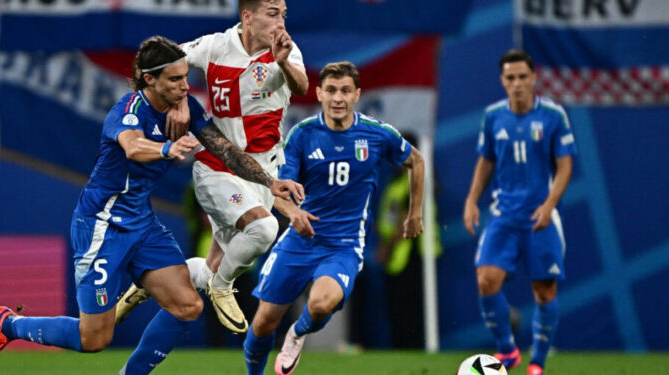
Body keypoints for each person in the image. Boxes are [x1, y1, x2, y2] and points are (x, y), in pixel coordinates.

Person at [0, 36, 303, 375]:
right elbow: (132, 147)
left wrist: (269, 182)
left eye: (186, 77)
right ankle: (8, 325)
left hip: (142, 224)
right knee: (93, 338)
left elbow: (226, 150)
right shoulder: (128, 110)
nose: (185, 86)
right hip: (101, 225)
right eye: (175, 80)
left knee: (188, 306)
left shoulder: (186, 110)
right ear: (149, 79)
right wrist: (165, 150)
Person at [116, 0, 308, 334]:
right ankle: (222, 288)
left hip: (260, 175)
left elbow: (302, 86)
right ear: (247, 17)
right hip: (216, 167)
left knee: (209, 267)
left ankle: (150, 281)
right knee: (263, 231)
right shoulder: (215, 46)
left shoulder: (286, 51)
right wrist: (177, 101)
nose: (281, 23)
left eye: (284, 15)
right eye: (273, 14)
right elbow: (160, 60)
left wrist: (284, 64)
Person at [242, 61, 425, 375]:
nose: (338, 98)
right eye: (331, 90)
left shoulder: (377, 135)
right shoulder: (302, 134)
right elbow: (278, 191)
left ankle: (297, 333)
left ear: (357, 94)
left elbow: (416, 161)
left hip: (343, 246)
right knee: (262, 322)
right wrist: (294, 212)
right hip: (300, 241)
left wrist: (415, 213)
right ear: (319, 93)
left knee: (320, 303)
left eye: (345, 91)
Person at [463, 49, 577, 375]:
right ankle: (507, 351)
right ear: (502, 80)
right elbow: (486, 160)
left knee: (544, 290)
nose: (517, 84)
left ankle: (537, 363)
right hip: (505, 215)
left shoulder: (554, 116)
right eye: (510, 78)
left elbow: (565, 165)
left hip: (540, 216)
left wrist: (550, 204)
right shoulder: (493, 116)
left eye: (522, 77)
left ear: (533, 77)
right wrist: (472, 199)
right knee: (486, 279)